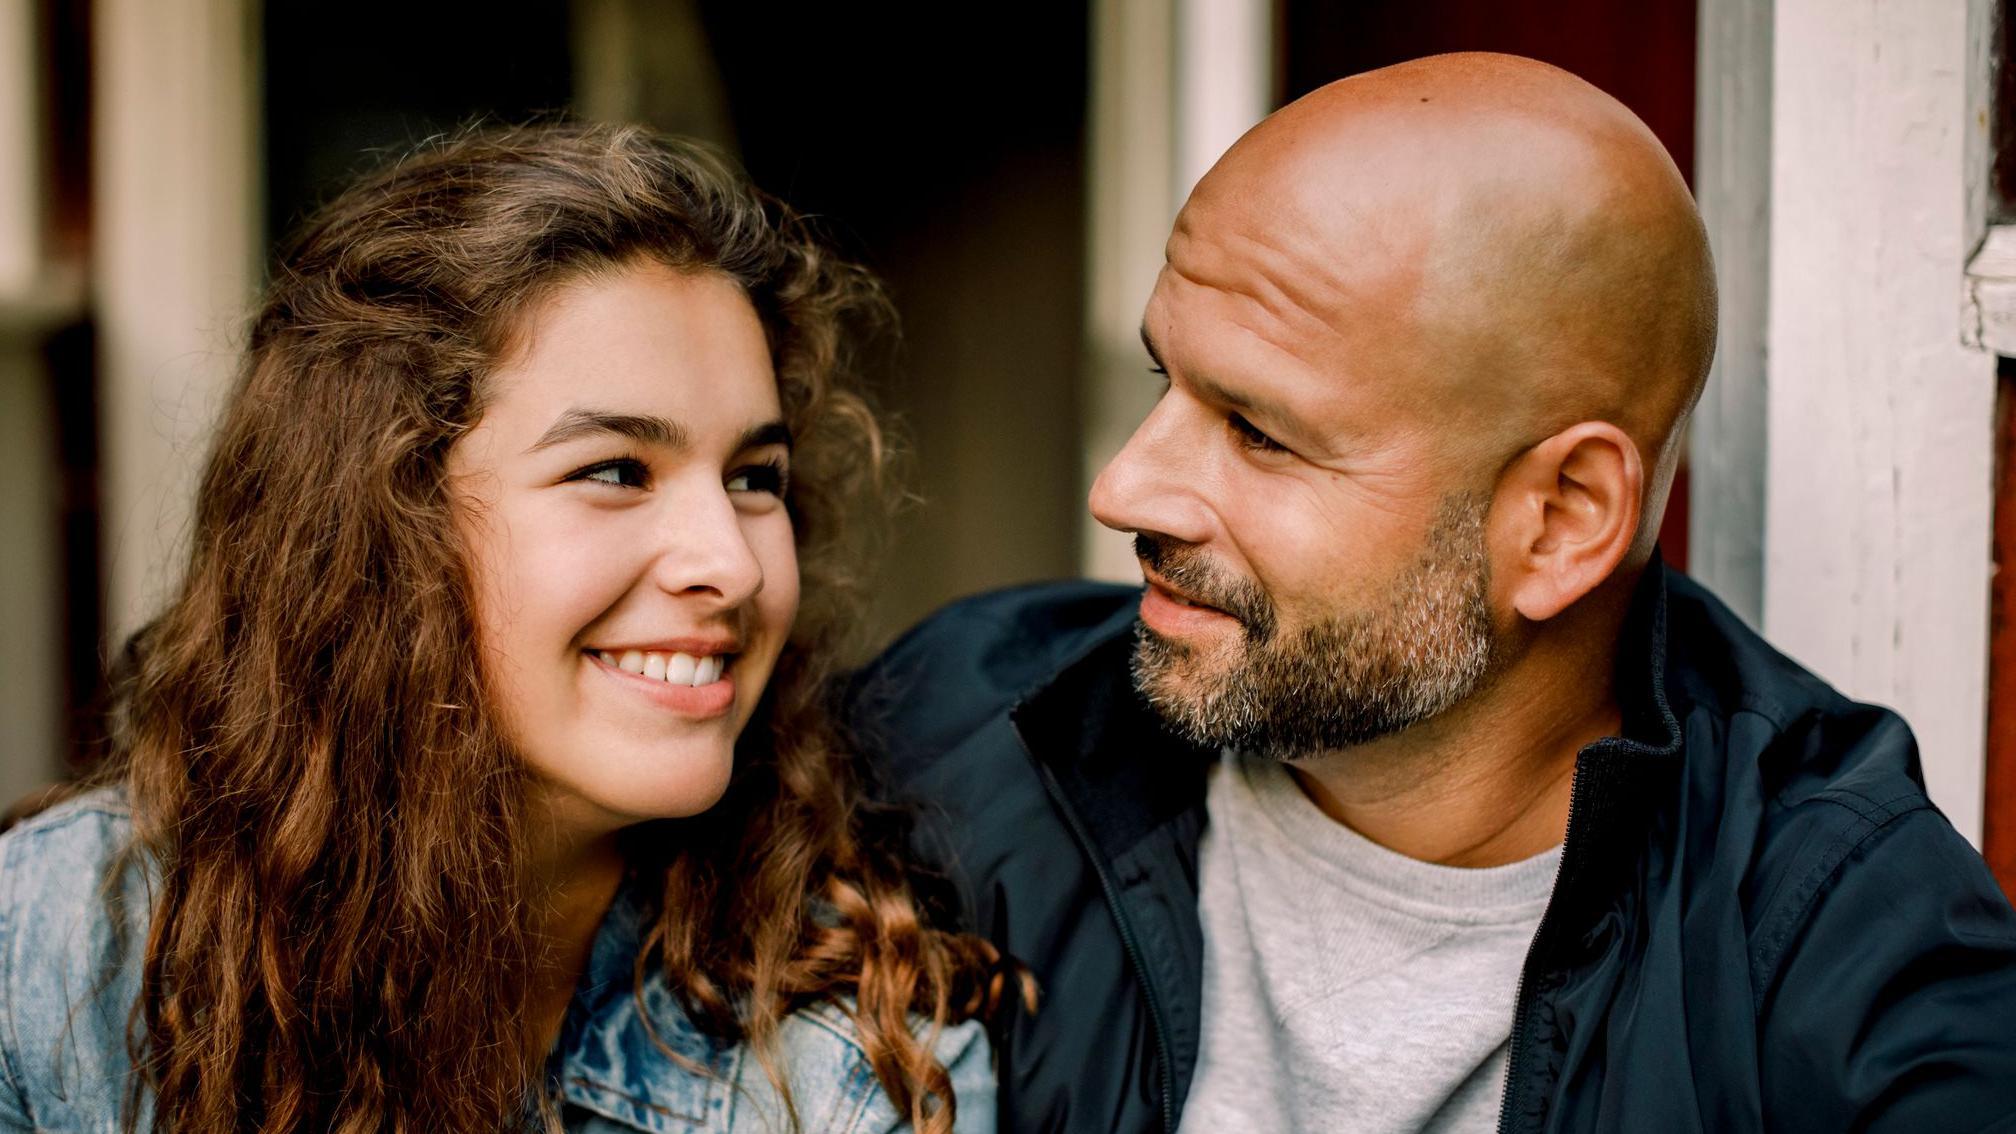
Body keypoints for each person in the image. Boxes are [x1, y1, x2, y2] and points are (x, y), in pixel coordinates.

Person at [852, 53, 2016, 1133]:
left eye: (1259, 433)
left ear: (1562, 520)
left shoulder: (1849, 961)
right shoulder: (948, 735)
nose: (1125, 489)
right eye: (1168, 379)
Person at [0, 124, 1005, 1134]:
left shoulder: (851, 1060)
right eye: (615, 471)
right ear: (377, 525)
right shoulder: (49, 957)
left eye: (755, 478)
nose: (733, 565)